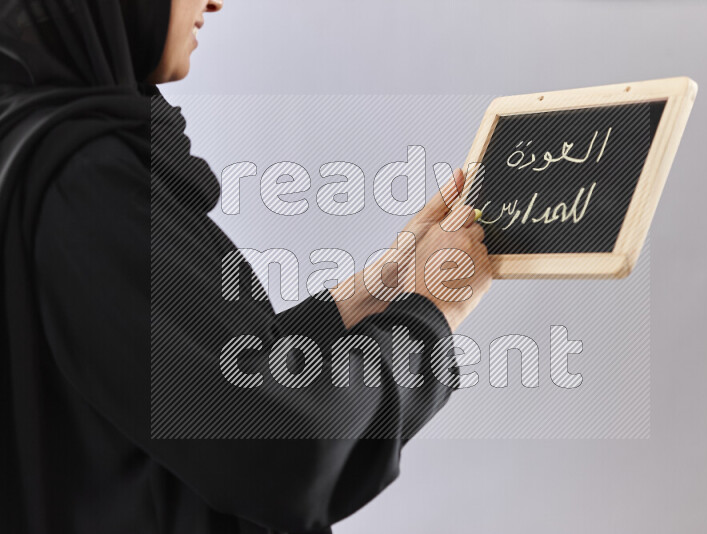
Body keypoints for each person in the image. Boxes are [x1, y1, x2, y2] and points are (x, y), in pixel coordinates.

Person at [0, 1, 491, 533]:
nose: (215, 1)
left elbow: (205, 379)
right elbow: (280, 449)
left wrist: (380, 285)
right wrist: (430, 313)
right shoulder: (87, 182)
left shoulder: (38, 147)